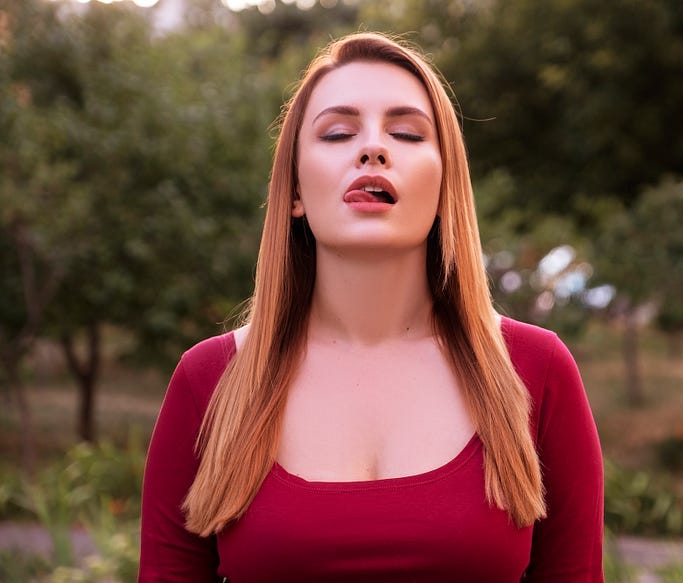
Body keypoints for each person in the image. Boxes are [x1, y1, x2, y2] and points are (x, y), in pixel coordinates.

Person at [139, 32, 603, 582]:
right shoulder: (208, 381)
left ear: (444, 184)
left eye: (406, 132)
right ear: (292, 191)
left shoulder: (537, 370)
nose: (373, 148)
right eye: (338, 132)